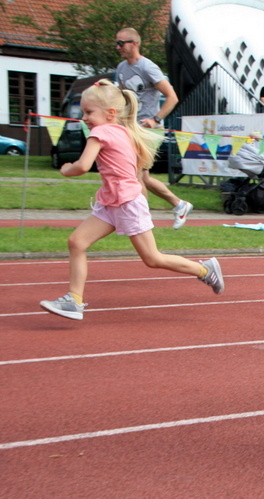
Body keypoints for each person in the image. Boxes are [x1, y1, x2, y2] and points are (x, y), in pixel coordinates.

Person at [38, 80, 224, 321]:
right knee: (76, 242)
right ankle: (74, 300)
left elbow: (83, 166)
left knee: (152, 258)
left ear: (110, 113)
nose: (84, 117)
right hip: (112, 203)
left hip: (126, 203)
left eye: (89, 112)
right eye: (83, 112)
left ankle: (205, 269)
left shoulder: (100, 131)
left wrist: (66, 170)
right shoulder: (123, 131)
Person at [115, 27, 192, 230]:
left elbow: (172, 96)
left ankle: (141, 221)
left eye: (121, 43)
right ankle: (180, 205)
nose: (118, 47)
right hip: (131, 127)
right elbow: (124, 98)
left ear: (134, 43)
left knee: (135, 175)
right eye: (117, 43)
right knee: (144, 177)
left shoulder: (148, 67)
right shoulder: (121, 68)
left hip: (149, 130)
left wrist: (156, 119)